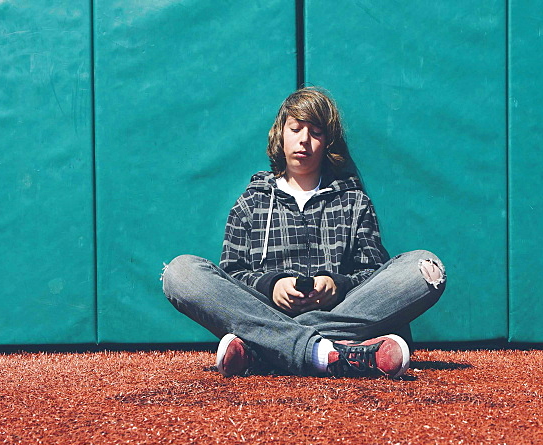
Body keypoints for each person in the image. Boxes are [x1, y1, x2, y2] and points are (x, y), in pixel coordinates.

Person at [162, 87, 445, 378]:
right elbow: (232, 276)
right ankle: (328, 353)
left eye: (316, 133)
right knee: (179, 273)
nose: (304, 140)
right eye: (295, 129)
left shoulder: (355, 201)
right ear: (280, 135)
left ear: (328, 142)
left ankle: (265, 351)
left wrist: (336, 286)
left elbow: (373, 273)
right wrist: (272, 286)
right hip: (267, 312)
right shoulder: (250, 202)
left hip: (337, 312)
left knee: (425, 269)